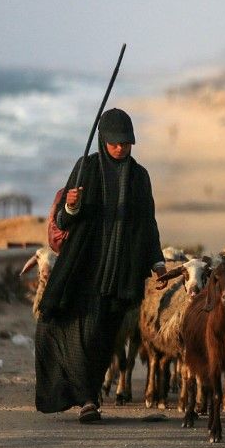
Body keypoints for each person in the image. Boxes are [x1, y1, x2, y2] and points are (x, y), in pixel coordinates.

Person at [35, 107, 164, 423]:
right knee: (61, 327)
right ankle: (88, 399)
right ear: (103, 141)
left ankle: (89, 395)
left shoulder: (139, 177)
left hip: (121, 274)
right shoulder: (86, 168)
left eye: (126, 143)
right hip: (83, 266)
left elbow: (148, 222)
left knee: (103, 338)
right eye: (114, 142)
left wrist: (158, 262)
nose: (120, 148)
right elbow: (64, 220)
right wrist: (71, 205)